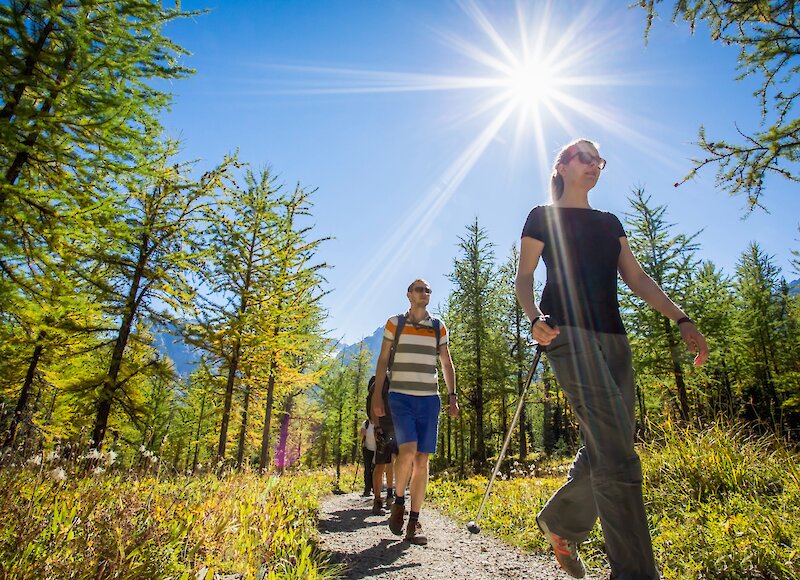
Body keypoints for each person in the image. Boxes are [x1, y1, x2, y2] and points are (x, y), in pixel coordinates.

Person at [515, 138, 709, 579]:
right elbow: (524, 278)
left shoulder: (608, 222)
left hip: (613, 338)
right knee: (619, 456)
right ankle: (635, 572)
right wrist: (534, 319)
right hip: (567, 334)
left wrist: (682, 319)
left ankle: (561, 522)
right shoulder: (541, 217)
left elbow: (637, 277)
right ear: (562, 166)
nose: (594, 165)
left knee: (612, 442)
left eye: (598, 159)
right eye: (584, 157)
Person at [371, 278, 459, 545]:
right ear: (409, 295)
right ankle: (399, 501)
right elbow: (383, 359)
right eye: (420, 289)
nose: (425, 293)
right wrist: (377, 395)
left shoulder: (437, 327)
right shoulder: (394, 324)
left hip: (429, 400)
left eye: (428, 290)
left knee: (422, 460)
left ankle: (413, 521)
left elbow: (446, 362)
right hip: (400, 397)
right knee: (407, 451)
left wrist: (452, 396)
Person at [367, 375, 398, 515]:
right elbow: (373, 406)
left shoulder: (400, 380)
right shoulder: (380, 383)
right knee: (380, 464)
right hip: (383, 429)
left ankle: (395, 499)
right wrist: (377, 427)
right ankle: (378, 501)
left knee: (397, 463)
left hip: (399, 428)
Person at [359, 416, 376, 497]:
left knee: (376, 469)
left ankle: (375, 488)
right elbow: (361, 434)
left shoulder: (379, 423)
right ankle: (367, 489)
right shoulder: (366, 424)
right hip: (367, 448)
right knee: (367, 469)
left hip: (377, 449)